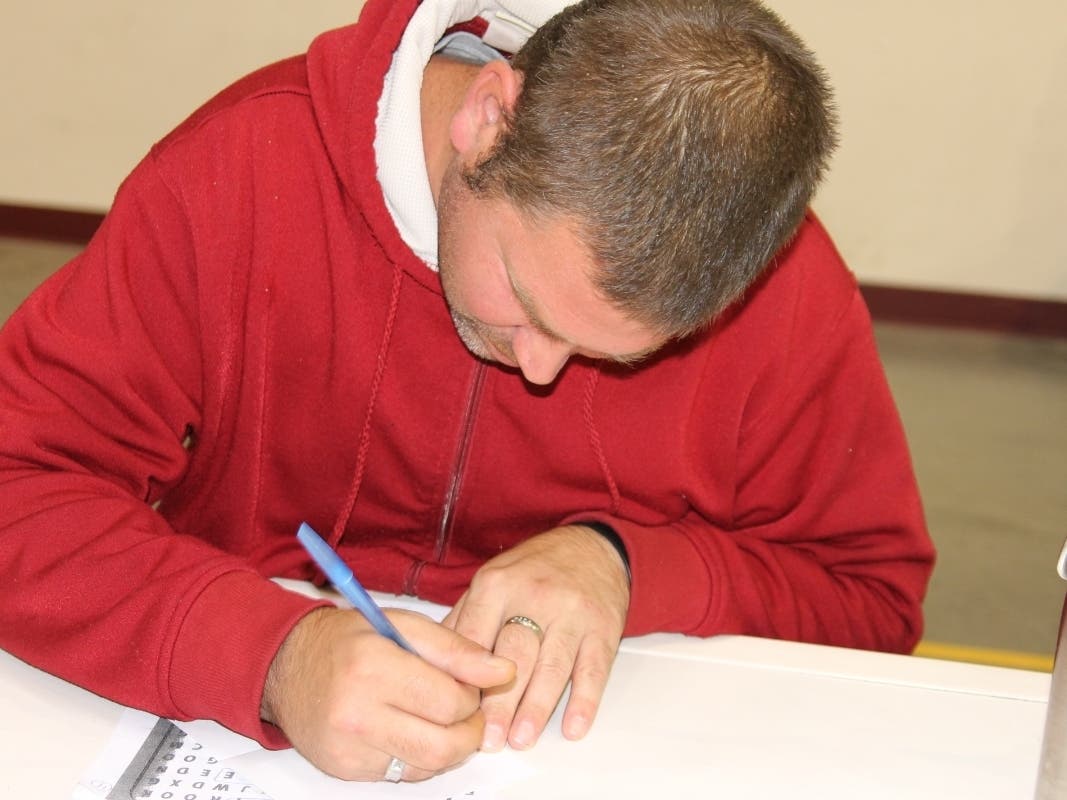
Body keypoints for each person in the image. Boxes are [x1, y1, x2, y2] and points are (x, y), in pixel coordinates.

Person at [0, 0, 935, 785]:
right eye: (527, 302)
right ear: (487, 117)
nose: (537, 370)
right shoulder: (240, 174)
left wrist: (624, 564)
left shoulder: (780, 281)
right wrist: (271, 653)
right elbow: (18, 481)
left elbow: (868, 598)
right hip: (230, 731)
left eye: (615, 355)